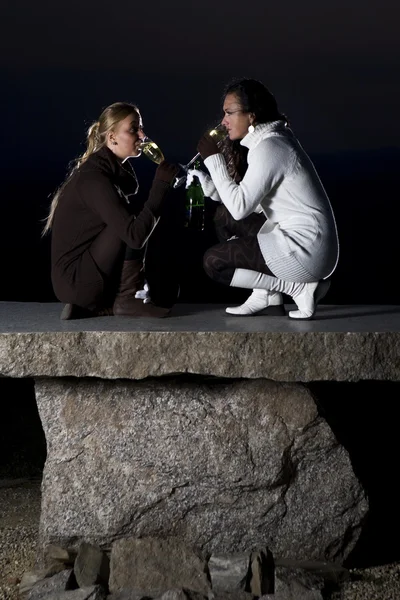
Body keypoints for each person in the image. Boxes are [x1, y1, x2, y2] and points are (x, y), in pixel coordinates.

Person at [189, 78, 339, 319]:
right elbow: (252, 203)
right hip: (302, 239)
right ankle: (265, 295)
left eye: (229, 113)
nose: (223, 121)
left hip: (308, 250)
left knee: (213, 262)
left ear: (252, 115)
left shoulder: (270, 147)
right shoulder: (271, 142)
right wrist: (210, 186)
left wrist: (213, 159)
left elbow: (241, 208)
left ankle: (299, 288)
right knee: (223, 217)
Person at [43, 102, 179, 319]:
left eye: (141, 128)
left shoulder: (105, 174)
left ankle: (97, 306)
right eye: (133, 129)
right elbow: (134, 237)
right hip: (77, 281)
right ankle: (126, 299)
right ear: (112, 137)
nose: (142, 135)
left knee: (169, 290)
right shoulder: (94, 180)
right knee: (131, 225)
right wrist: (160, 186)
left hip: (82, 277)